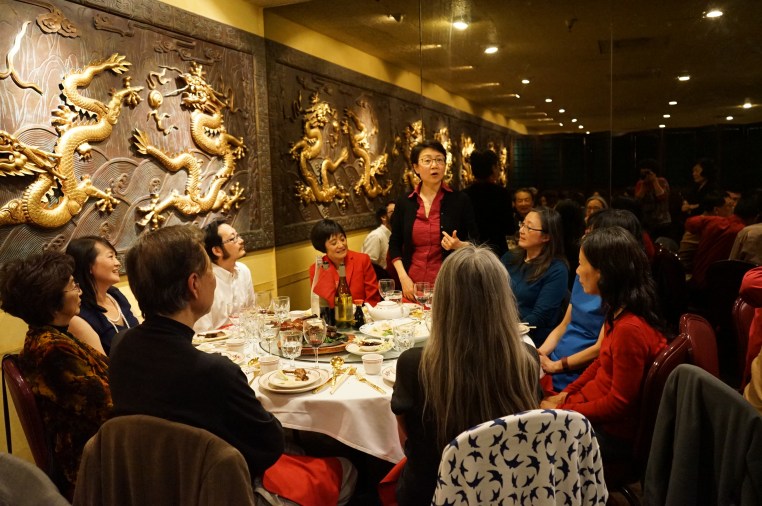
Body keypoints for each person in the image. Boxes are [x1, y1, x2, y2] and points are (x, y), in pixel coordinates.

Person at [110, 225, 355, 505]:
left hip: (146, 487)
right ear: (194, 284)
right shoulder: (213, 371)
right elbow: (270, 446)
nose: (214, 279)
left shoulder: (121, 346)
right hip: (224, 491)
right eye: (209, 271)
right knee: (346, 469)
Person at [391, 245, 540, 506]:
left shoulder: (413, 364)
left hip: (431, 492)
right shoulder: (527, 358)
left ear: (442, 302)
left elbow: (405, 437)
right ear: (504, 300)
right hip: (507, 488)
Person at [541, 226, 667, 462]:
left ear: (603, 273)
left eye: (581, 264)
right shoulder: (616, 309)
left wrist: (564, 410)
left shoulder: (629, 329)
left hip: (611, 435)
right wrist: (567, 394)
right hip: (593, 411)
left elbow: (619, 404)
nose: (577, 271)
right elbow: (600, 363)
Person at [0, 251, 111, 497]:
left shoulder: (54, 336)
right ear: (51, 300)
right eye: (73, 285)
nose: (80, 291)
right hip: (91, 461)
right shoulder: (52, 350)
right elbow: (106, 406)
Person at [539, 209, 646, 393]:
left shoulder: (621, 305)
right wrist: (541, 354)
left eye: (593, 232)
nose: (586, 236)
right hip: (557, 359)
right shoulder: (584, 276)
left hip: (575, 369)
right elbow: (565, 324)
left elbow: (600, 356)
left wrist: (556, 367)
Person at [389, 140, 477, 300]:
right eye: (427, 160)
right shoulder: (405, 202)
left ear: (445, 165)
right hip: (412, 284)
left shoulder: (460, 200)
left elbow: (477, 242)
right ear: (416, 167)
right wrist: (403, 277)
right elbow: (394, 243)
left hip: (450, 284)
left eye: (439, 160)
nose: (434, 165)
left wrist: (459, 246)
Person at [500, 207, 569, 346]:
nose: (521, 230)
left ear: (546, 237)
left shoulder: (557, 270)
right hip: (502, 325)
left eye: (529, 227)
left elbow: (540, 317)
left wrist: (506, 331)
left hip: (530, 337)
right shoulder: (510, 257)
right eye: (522, 224)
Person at [66, 236, 139, 355]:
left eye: (116, 257)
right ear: (89, 266)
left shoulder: (115, 295)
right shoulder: (78, 315)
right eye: (110, 257)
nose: (118, 263)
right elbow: (102, 364)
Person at [194, 220, 255, 332]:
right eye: (233, 239)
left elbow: (251, 312)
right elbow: (203, 333)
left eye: (238, 236)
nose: (241, 241)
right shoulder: (204, 281)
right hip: (215, 341)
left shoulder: (243, 271)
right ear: (217, 250)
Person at [310, 219, 381, 307]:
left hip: (363, 313)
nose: (341, 245)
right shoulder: (317, 269)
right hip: (334, 315)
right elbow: (323, 304)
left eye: (342, 239)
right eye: (334, 243)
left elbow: (373, 298)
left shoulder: (362, 260)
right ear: (323, 247)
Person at [462, 149, 515, 258]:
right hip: (497, 250)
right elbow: (509, 228)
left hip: (472, 250)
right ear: (493, 168)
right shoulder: (502, 194)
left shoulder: (464, 194)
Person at [634, 159, 671, 238]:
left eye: (647, 173)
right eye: (643, 173)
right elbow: (637, 201)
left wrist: (654, 181)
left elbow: (662, 197)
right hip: (645, 221)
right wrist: (644, 186)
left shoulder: (662, 181)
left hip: (661, 220)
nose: (645, 175)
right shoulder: (640, 183)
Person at [361, 201, 395, 277]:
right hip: (381, 280)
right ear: (383, 217)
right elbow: (369, 265)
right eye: (393, 212)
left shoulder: (395, 234)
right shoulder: (376, 236)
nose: (398, 215)